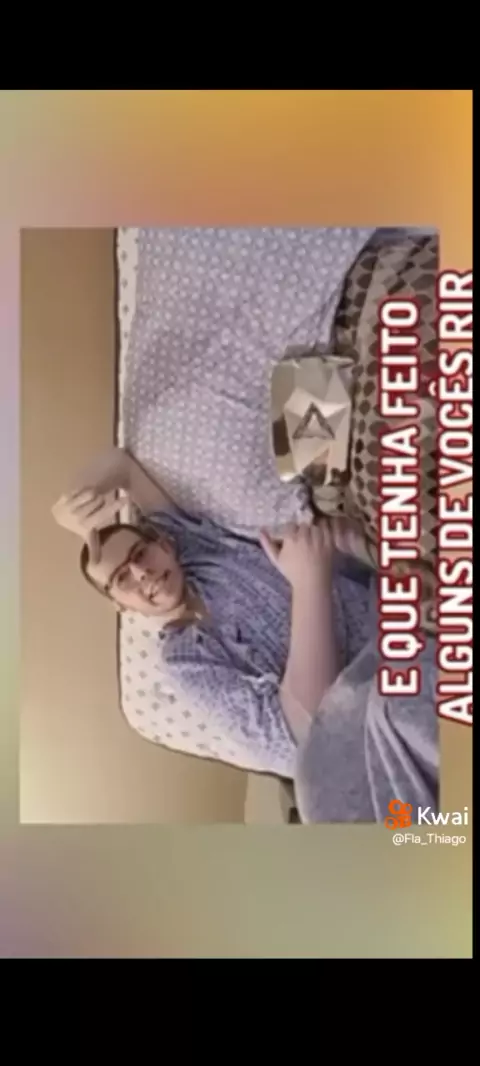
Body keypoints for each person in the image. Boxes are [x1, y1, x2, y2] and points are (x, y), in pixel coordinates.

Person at [52, 446, 375, 778]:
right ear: (121, 606)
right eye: (122, 579)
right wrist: (310, 583)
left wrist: (72, 503)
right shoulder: (184, 662)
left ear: (164, 545)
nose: (141, 573)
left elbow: (122, 467)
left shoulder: (195, 548)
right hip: (375, 716)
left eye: (139, 554)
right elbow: (308, 732)